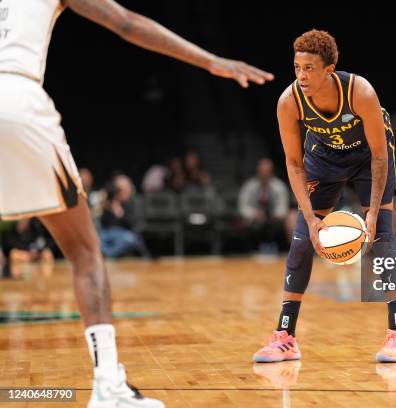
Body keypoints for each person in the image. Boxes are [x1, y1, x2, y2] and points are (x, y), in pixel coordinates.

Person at [0, 1, 273, 407]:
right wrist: (212, 60)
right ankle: (108, 385)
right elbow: (126, 23)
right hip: (15, 96)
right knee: (84, 251)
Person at [252, 30, 396, 364]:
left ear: (329, 68)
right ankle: (285, 336)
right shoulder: (289, 101)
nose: (301, 75)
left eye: (309, 68)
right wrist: (310, 218)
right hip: (323, 156)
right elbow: (294, 164)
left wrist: (370, 214)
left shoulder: (359, 92)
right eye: (297, 67)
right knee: (301, 241)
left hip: (369, 157)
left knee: (382, 237)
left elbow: (380, 157)